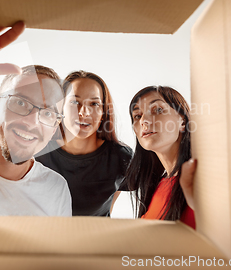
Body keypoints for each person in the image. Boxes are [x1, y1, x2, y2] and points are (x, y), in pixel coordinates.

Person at [0, 23, 72, 220]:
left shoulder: (56, 189)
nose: (31, 122)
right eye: (21, 102)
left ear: (55, 127)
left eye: (48, 113)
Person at [36, 71, 132, 216]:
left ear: (103, 111)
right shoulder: (38, 151)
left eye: (94, 103)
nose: (84, 112)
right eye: (75, 102)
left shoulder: (121, 157)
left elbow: (107, 209)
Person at [125, 86, 197, 229]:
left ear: (182, 121)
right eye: (137, 116)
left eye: (157, 110)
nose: (143, 121)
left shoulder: (198, 180)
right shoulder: (156, 187)